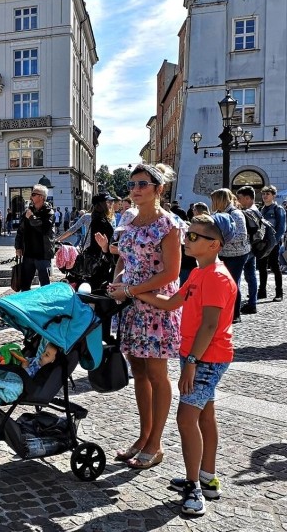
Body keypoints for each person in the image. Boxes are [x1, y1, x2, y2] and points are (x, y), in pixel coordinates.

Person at [134, 213, 237, 516]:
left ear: (215, 244)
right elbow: (170, 303)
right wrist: (133, 291)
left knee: (186, 418)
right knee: (205, 414)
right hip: (197, 353)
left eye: (194, 237)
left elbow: (209, 325)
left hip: (206, 356)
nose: (186, 240)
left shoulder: (217, 277)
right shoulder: (197, 273)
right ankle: (207, 478)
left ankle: (194, 488)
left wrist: (191, 361)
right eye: (187, 234)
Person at [106, 163, 184, 470]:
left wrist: (131, 288)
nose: (136, 189)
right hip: (131, 304)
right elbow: (125, 257)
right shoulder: (128, 217)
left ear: (158, 189)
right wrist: (119, 282)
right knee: (138, 371)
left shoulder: (169, 225)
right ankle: (143, 436)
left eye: (143, 184)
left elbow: (171, 271)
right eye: (132, 184)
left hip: (155, 305)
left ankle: (156, 443)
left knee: (157, 374)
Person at [210, 189, 249, 323]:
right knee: (222, 284)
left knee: (232, 282)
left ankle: (235, 314)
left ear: (220, 200)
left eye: (214, 200)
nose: (212, 203)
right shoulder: (216, 214)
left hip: (237, 254)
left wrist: (221, 239)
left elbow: (242, 235)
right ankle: (225, 311)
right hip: (222, 253)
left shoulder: (236, 214)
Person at [14, 184, 55, 291]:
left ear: (41, 197)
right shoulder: (28, 211)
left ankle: (46, 304)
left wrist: (31, 217)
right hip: (28, 253)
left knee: (45, 284)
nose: (31, 196)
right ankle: (25, 305)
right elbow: (20, 231)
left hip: (42, 254)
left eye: (33, 194)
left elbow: (44, 229)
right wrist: (18, 247)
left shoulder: (48, 212)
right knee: (25, 284)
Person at [77, 193, 115, 292]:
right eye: (108, 202)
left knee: (94, 285)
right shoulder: (100, 221)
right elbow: (99, 242)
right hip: (99, 258)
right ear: (102, 204)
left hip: (98, 256)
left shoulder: (99, 218)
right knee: (96, 287)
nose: (111, 204)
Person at [235, 186, 260, 315]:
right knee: (251, 276)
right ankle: (252, 303)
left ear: (247, 198)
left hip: (246, 248)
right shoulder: (256, 211)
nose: (237, 200)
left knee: (237, 276)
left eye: (239, 198)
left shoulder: (246, 212)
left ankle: (237, 305)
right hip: (254, 247)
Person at [258, 185, 286, 302]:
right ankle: (262, 291)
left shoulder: (278, 209)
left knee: (275, 266)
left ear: (273, 195)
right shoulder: (261, 209)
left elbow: (281, 228)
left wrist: (274, 241)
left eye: (267, 194)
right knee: (261, 267)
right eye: (263, 194)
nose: (265, 196)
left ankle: (279, 292)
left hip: (273, 242)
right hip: (263, 242)